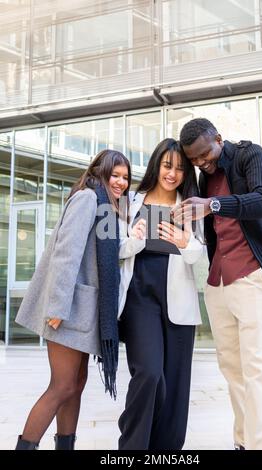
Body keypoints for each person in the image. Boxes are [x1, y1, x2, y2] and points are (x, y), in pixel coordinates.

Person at [172, 118, 262, 450]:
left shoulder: (249, 156)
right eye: (194, 160)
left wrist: (212, 205)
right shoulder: (201, 176)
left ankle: (260, 445)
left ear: (218, 139)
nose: (201, 163)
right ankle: (243, 441)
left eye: (205, 155)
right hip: (218, 281)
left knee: (256, 368)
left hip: (254, 275)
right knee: (232, 369)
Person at [14, 149, 131, 450]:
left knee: (75, 386)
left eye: (126, 178)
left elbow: (110, 258)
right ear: (100, 171)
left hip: (83, 312)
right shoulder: (88, 198)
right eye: (115, 175)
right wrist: (57, 306)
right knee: (62, 386)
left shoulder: (108, 207)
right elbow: (66, 254)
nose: (121, 182)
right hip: (68, 309)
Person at [117, 138, 205, 450]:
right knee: (150, 374)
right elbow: (113, 249)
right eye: (167, 166)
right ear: (156, 164)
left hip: (178, 301)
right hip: (140, 298)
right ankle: (132, 448)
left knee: (176, 383)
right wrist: (134, 239)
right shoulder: (130, 203)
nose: (172, 174)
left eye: (180, 169)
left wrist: (185, 241)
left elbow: (201, 258)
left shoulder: (191, 205)